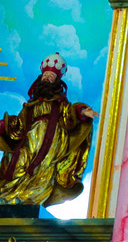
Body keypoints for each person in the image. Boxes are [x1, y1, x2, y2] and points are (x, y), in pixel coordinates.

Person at [0, 54, 97, 207]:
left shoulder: (60, 104)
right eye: (45, 75)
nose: (47, 78)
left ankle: (31, 198)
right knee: (19, 162)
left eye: (51, 76)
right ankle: (11, 194)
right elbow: (19, 123)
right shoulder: (31, 105)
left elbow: (69, 115)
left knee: (43, 170)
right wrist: (4, 125)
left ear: (56, 81)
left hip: (51, 142)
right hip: (30, 140)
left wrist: (82, 112)